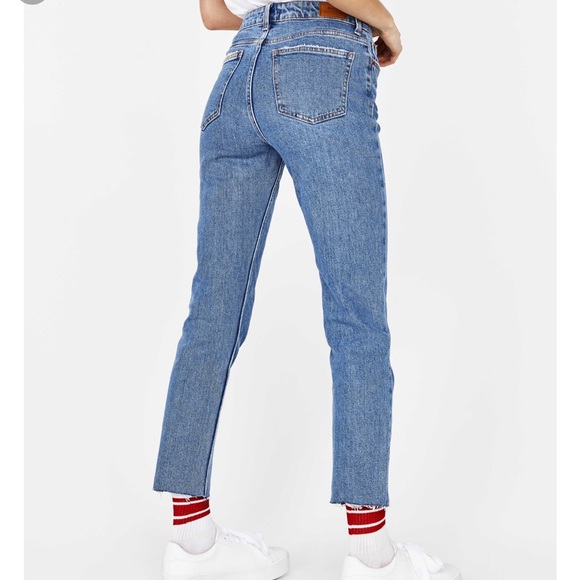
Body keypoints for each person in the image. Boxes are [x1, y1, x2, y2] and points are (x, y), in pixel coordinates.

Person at [152, 1, 462, 579]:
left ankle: (193, 543)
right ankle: (372, 555)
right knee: (356, 317)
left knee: (212, 313)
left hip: (238, 72)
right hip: (320, 64)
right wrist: (386, 25)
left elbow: (212, 14)